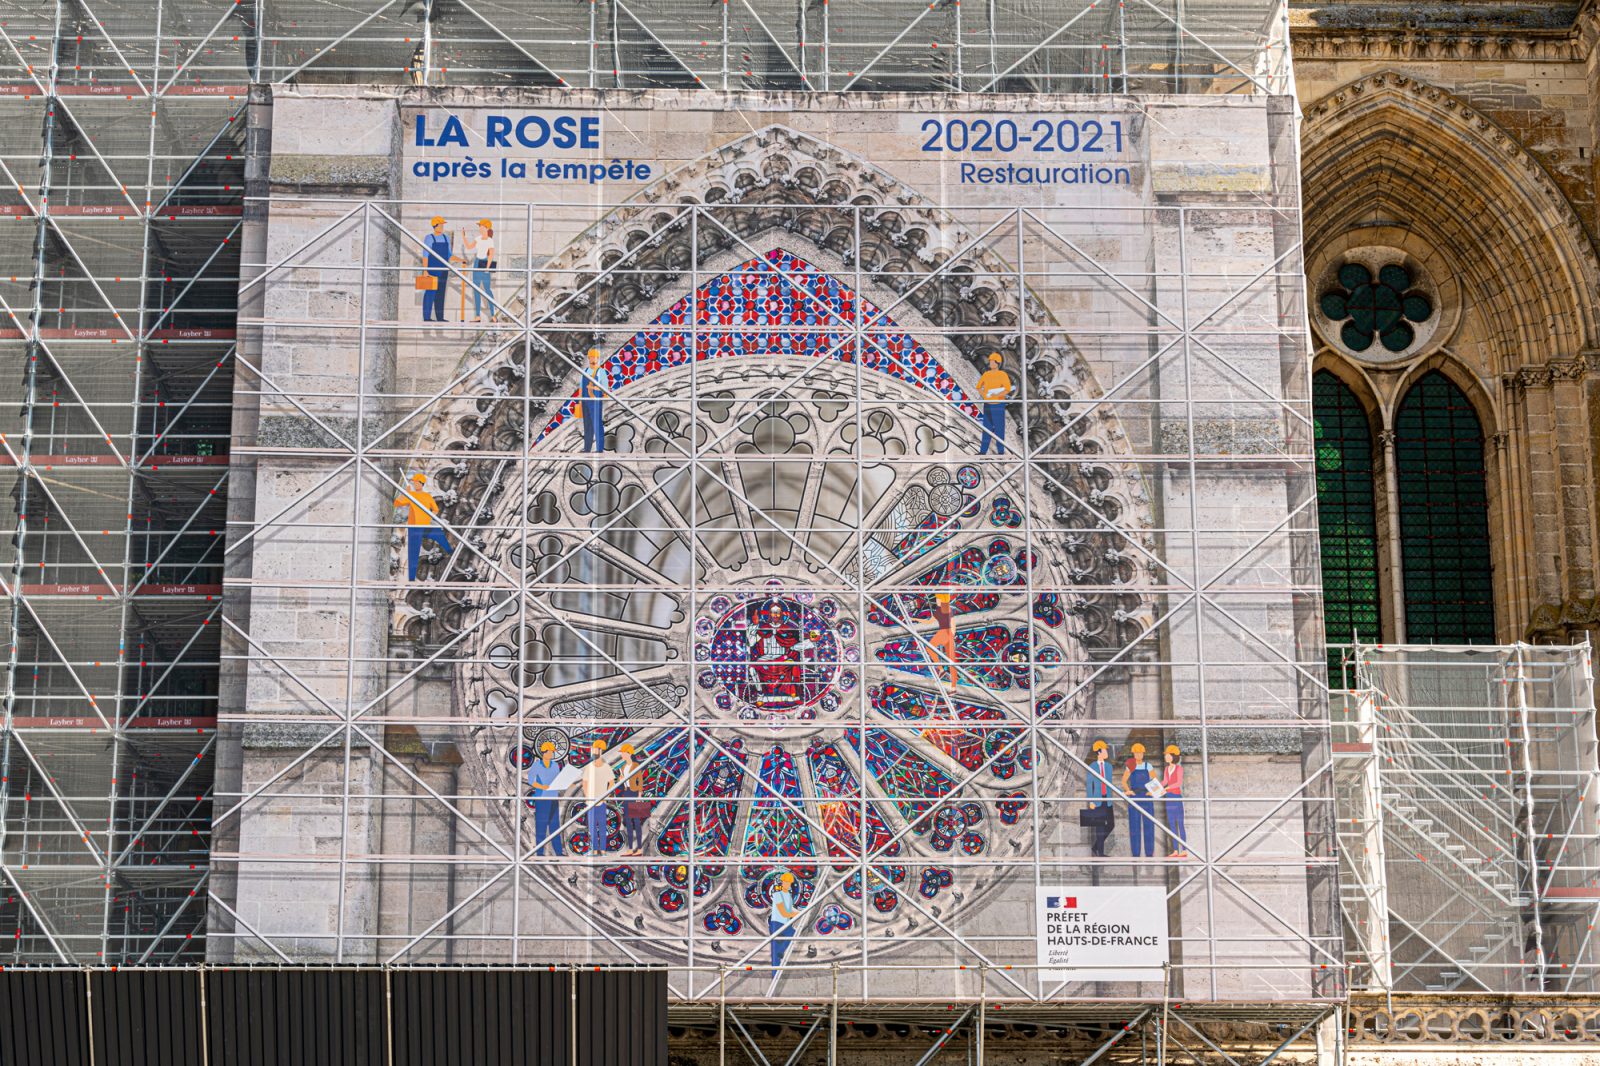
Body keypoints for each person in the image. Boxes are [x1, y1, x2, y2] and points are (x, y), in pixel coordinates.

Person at [393, 472, 452, 580]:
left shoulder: (427, 496)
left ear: (421, 484)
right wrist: (405, 493)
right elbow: (397, 503)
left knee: (439, 535)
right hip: (414, 526)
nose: (414, 484)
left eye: (416, 482)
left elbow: (436, 509)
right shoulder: (412, 495)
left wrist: (428, 517)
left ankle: (450, 552)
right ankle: (411, 579)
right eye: (414, 482)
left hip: (424, 524)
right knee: (413, 551)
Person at [526, 741, 566, 857]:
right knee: (541, 826)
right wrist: (541, 786)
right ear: (544, 752)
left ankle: (558, 852)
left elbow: (557, 779)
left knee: (555, 826)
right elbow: (531, 780)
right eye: (550, 752)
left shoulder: (554, 765)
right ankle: (540, 852)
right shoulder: (537, 765)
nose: (552, 754)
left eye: (552, 752)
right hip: (542, 798)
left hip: (553, 798)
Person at [1122, 742, 1158, 858]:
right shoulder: (1130, 766)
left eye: (1140, 752)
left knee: (1149, 825)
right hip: (1134, 798)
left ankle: (1149, 853)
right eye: (1136, 753)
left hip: (1146, 798)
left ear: (1143, 753)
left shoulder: (1148, 766)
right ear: (1133, 754)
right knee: (1134, 826)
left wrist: (1151, 792)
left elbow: (1155, 780)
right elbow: (1123, 781)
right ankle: (1136, 853)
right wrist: (1128, 790)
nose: (1138, 755)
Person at [975, 352, 1013, 455]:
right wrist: (985, 395)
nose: (990, 363)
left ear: (997, 363)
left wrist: (998, 394)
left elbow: (1008, 389)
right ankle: (983, 452)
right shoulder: (986, 374)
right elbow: (978, 387)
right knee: (986, 429)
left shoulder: (1002, 374)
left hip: (998, 404)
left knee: (999, 429)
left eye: (992, 362)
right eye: (990, 361)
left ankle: (1001, 453)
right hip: (988, 404)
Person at [581, 738, 614, 854]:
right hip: (590, 801)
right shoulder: (589, 767)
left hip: (601, 801)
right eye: (593, 750)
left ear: (600, 751)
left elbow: (612, 783)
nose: (594, 752)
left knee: (602, 825)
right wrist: (587, 795)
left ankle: (603, 849)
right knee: (592, 826)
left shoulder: (606, 767)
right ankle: (595, 848)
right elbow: (584, 782)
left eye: (596, 750)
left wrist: (606, 796)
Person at [615, 743, 649, 856]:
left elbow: (640, 781)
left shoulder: (635, 766)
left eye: (623, 753)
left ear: (629, 753)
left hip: (634, 793)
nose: (622, 755)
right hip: (627, 792)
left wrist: (640, 796)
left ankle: (639, 848)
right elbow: (622, 782)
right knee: (628, 822)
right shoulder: (622, 767)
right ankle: (630, 848)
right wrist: (620, 780)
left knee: (636, 822)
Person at [1084, 739, 1116, 857]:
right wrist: (1090, 801)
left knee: (1111, 824)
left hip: (1107, 800)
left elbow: (1110, 783)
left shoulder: (1108, 767)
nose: (1107, 752)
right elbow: (1089, 785)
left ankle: (1096, 847)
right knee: (1100, 828)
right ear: (1099, 752)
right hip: (1097, 801)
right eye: (1105, 750)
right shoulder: (1092, 766)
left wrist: (1123, 792)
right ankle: (1100, 853)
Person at [421, 216, 455, 323]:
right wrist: (425, 270)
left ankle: (440, 317)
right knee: (430, 293)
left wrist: (461, 259)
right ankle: (427, 317)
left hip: (444, 270)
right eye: (440, 225)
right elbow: (425, 255)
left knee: (441, 293)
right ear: (435, 226)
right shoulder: (429, 238)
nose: (442, 226)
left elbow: (449, 255)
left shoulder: (446, 238)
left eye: (442, 225)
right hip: (432, 269)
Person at [464, 218, 498, 323]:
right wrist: (463, 237)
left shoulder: (490, 240)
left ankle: (493, 315)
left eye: (481, 226)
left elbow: (491, 254)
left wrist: (487, 268)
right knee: (476, 290)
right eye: (479, 226)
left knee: (487, 290)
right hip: (477, 263)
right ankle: (477, 316)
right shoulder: (478, 238)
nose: (480, 228)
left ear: (486, 227)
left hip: (484, 263)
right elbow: (469, 247)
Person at [579, 348, 610, 453]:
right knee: (587, 425)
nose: (593, 359)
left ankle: (599, 449)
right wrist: (580, 400)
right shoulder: (585, 371)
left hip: (595, 401)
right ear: (588, 358)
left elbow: (605, 388)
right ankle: (587, 448)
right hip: (585, 400)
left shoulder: (601, 371)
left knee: (597, 425)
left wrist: (598, 392)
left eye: (595, 357)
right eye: (591, 357)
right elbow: (581, 387)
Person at [769, 871, 800, 973]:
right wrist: (796, 914)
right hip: (776, 923)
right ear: (782, 882)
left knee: (792, 933)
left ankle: (781, 952)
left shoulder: (788, 896)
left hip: (785, 923)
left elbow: (790, 909)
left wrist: (801, 911)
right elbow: (783, 912)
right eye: (785, 882)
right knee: (775, 950)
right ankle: (775, 973)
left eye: (788, 883)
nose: (786, 884)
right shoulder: (777, 895)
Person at [927, 591, 958, 685]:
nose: (936, 600)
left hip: (945, 633)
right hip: (945, 633)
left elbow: (952, 623)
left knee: (931, 649)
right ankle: (942, 671)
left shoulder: (946, 610)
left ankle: (944, 674)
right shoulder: (940, 610)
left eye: (937, 598)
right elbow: (929, 622)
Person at [1162, 744, 1186, 858]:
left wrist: (1167, 788)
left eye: (1167, 755)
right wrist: (1156, 788)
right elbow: (1164, 781)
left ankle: (1184, 849)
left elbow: (1179, 783)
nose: (1166, 757)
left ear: (1173, 756)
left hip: (1176, 796)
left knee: (1180, 823)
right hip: (1168, 797)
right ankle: (1175, 850)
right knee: (1172, 824)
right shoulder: (1167, 769)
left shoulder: (1179, 768)